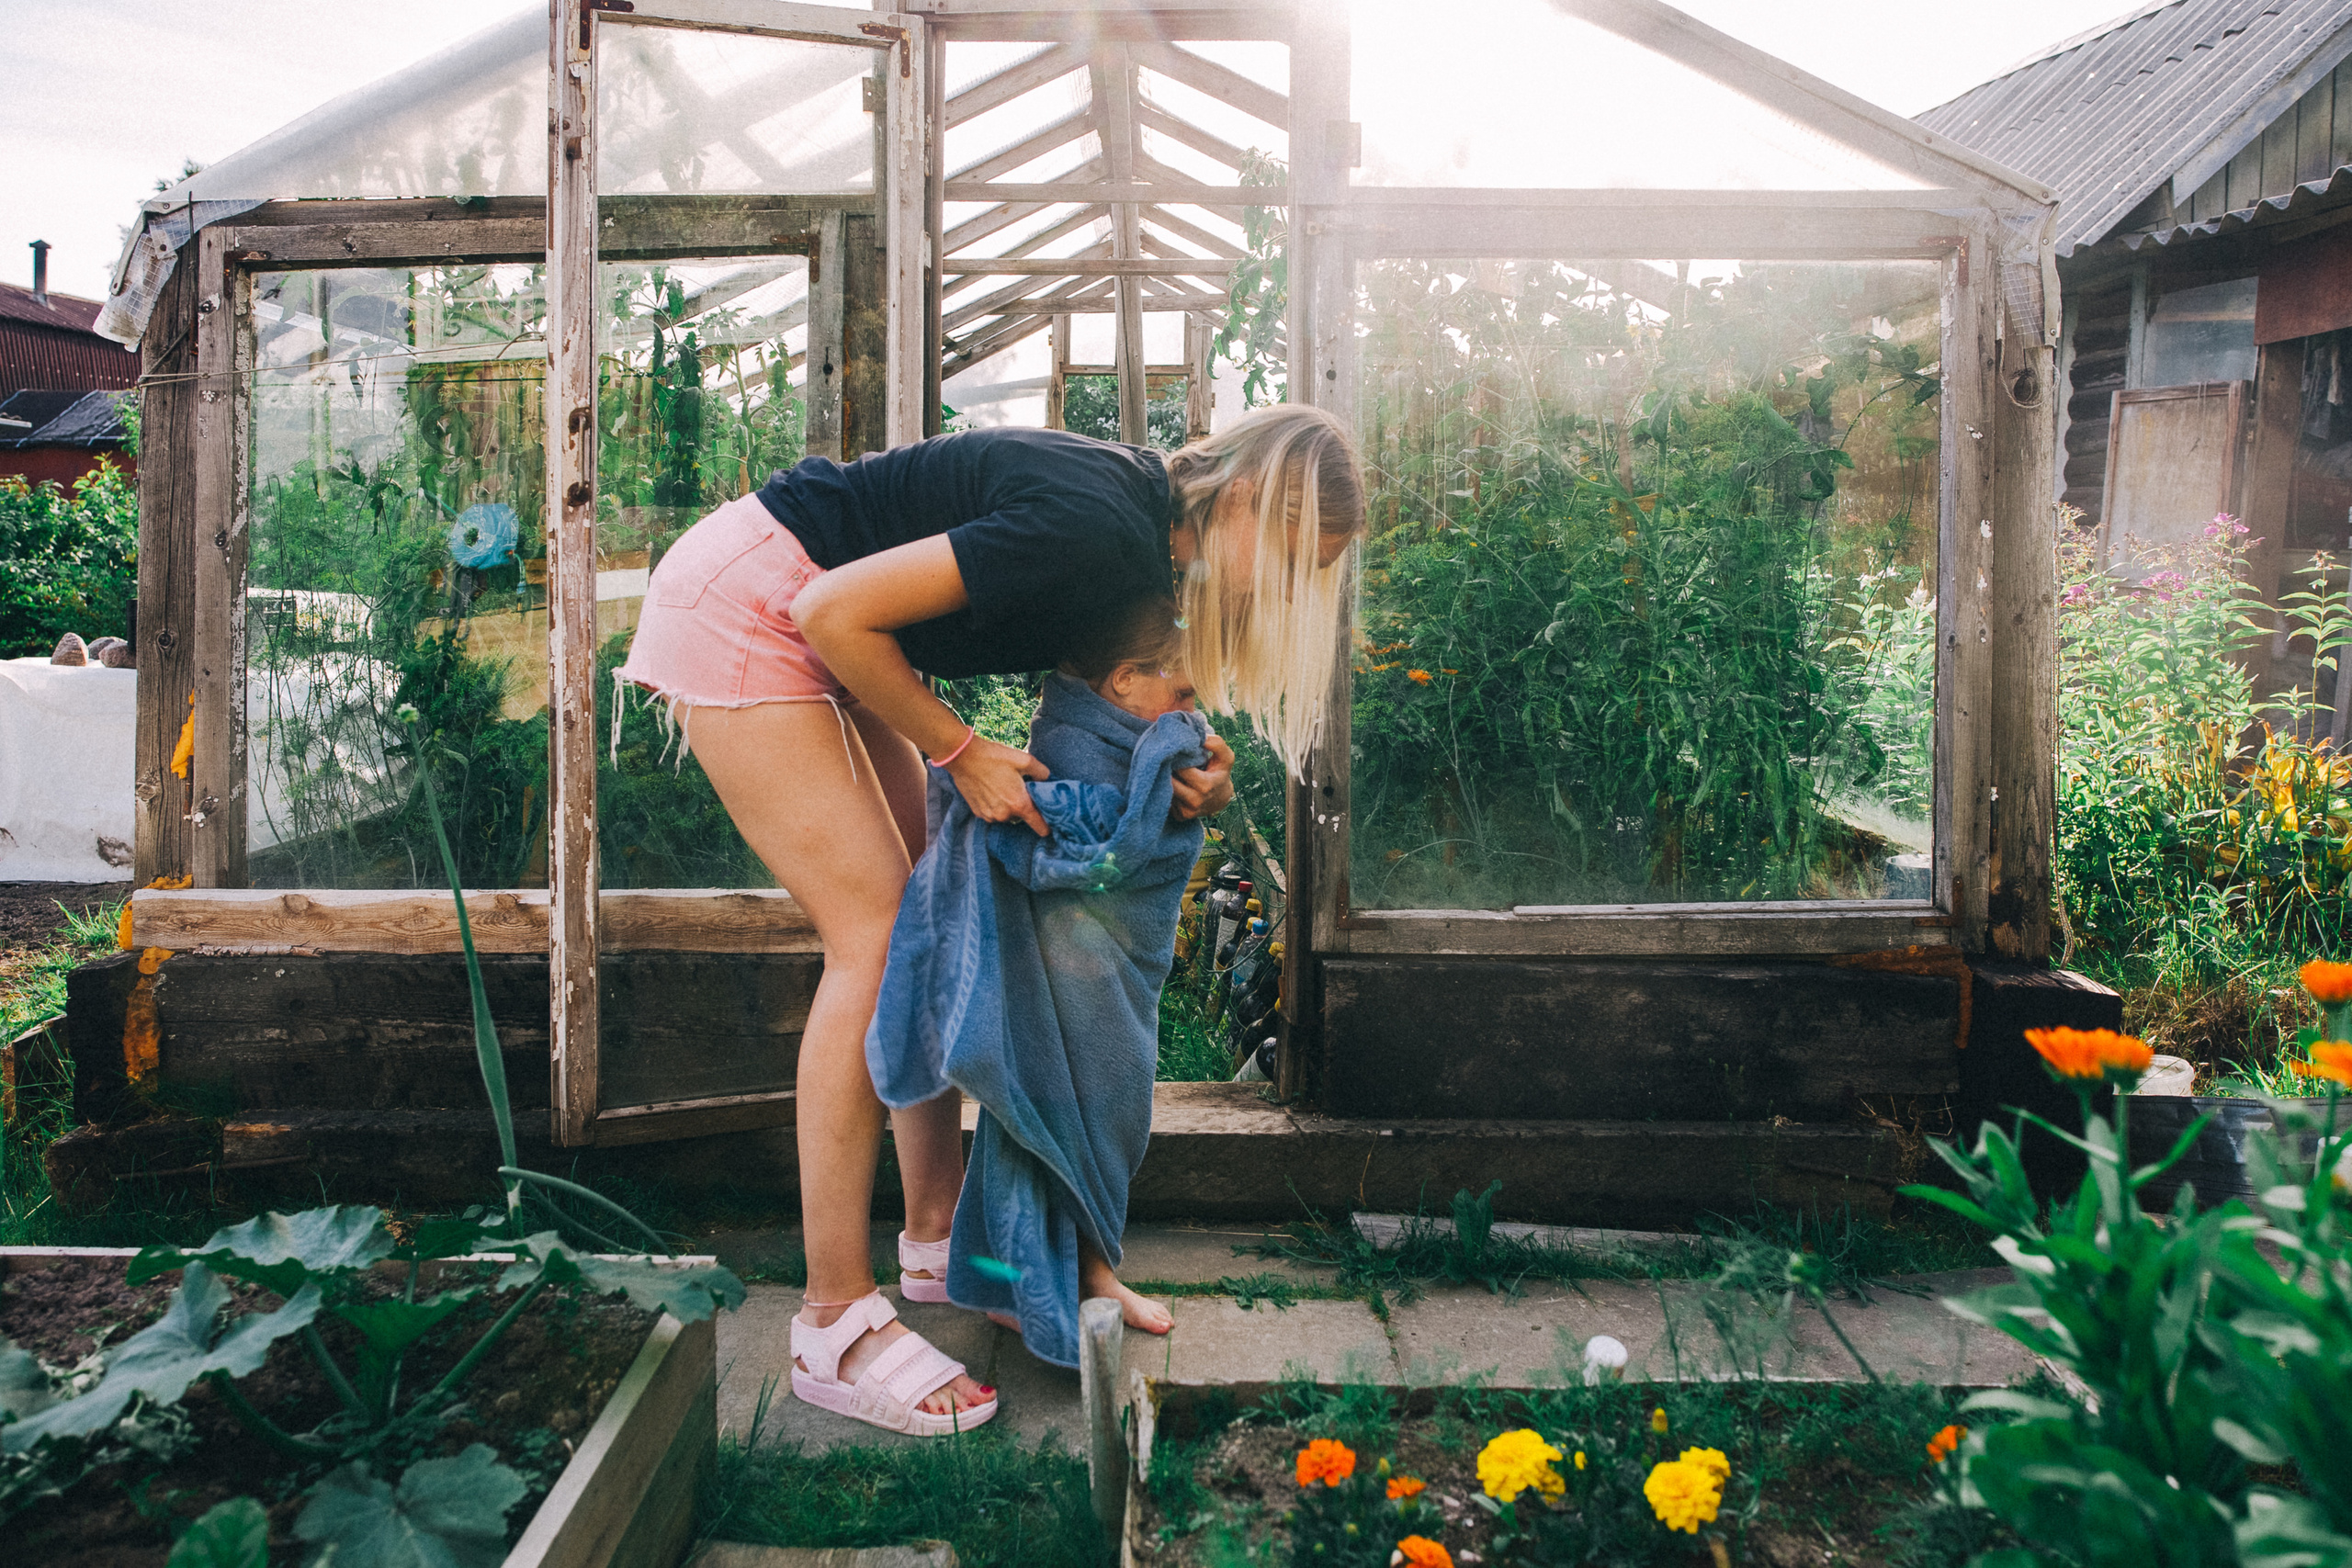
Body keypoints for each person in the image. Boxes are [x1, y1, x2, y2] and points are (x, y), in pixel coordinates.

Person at [616, 406, 1364, 1438]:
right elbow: (832, 609)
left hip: (823, 620)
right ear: (1244, 500)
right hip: (753, 602)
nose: (1286, 592)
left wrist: (1190, 766)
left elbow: (1125, 686)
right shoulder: (1096, 523)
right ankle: (832, 1323)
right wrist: (960, 751)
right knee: (875, 940)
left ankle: (938, 1242)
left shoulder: (1144, 548)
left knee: (925, 909)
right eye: (1290, 559)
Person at [866, 595, 1200, 1372]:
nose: (1192, 708)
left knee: (1112, 1115)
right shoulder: (1072, 746)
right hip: (1072, 961)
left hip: (1122, 966)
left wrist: (1184, 780)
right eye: (1180, 691)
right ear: (1123, 681)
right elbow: (1066, 828)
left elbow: (1147, 818)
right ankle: (1079, 1272)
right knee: (1062, 1107)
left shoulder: (1141, 732)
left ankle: (1011, 1270)